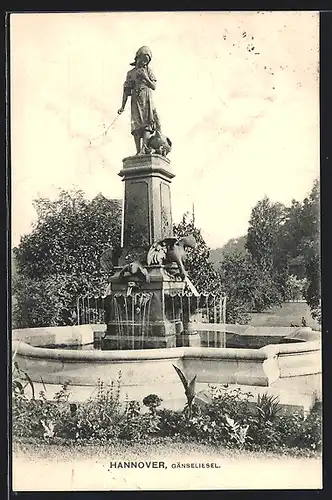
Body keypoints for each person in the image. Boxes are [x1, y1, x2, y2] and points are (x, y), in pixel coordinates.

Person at [118, 46, 161, 154]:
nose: (144, 64)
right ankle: (138, 151)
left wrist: (145, 77)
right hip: (136, 100)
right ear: (138, 58)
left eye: (147, 62)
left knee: (147, 123)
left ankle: (144, 148)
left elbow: (154, 86)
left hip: (146, 98)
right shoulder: (130, 73)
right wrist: (122, 107)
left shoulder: (148, 71)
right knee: (136, 125)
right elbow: (126, 91)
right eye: (143, 61)